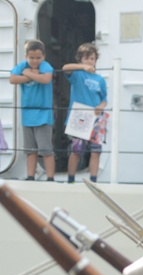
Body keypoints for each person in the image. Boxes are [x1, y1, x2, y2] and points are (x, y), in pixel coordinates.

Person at [9, 39, 55, 181]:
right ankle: (30, 176)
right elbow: (12, 79)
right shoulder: (22, 66)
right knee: (30, 150)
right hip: (27, 115)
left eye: (38, 58)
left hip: (43, 115)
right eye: (31, 58)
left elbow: (46, 79)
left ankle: (51, 178)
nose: (35, 61)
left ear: (44, 57)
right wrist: (31, 74)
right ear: (26, 57)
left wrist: (28, 74)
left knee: (46, 149)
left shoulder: (46, 66)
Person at [63, 42, 108, 184]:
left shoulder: (100, 79)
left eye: (92, 58)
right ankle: (71, 179)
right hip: (80, 115)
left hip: (96, 117)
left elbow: (104, 99)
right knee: (77, 150)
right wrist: (83, 67)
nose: (90, 61)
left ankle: (93, 181)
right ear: (80, 59)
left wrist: (101, 106)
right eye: (86, 58)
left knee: (96, 151)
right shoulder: (77, 74)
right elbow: (65, 68)